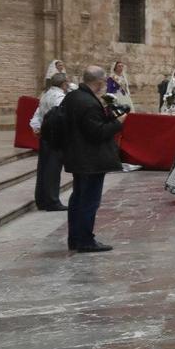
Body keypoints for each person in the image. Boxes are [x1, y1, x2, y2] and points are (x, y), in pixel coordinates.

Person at [58, 65, 124, 253]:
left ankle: (75, 238)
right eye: (103, 81)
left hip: (78, 156)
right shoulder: (87, 102)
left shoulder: (73, 97)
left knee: (78, 198)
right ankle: (85, 239)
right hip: (90, 160)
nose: (104, 85)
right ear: (98, 81)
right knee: (88, 200)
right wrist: (118, 123)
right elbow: (97, 133)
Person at [30, 70, 68, 211]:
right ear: (63, 84)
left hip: (45, 135)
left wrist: (37, 127)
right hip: (54, 136)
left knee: (44, 168)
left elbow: (38, 114)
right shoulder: (59, 97)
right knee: (53, 169)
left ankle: (41, 199)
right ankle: (52, 201)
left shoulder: (45, 95)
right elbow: (60, 116)